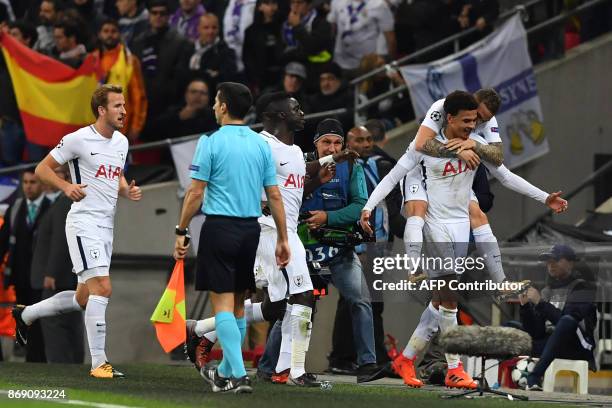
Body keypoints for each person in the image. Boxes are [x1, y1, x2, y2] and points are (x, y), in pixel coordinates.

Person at [360, 90, 569, 389]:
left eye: (476, 121)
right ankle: (454, 368)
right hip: (435, 222)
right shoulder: (424, 147)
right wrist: (368, 206)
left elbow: (507, 176)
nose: (473, 126)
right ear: (449, 118)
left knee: (441, 303)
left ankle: (405, 359)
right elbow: (394, 175)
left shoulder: (477, 143)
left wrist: (544, 197)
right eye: (467, 121)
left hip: (459, 223)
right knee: (449, 298)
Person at [12, 84, 143, 378]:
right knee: (103, 289)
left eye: (123, 105)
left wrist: (126, 191)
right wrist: (66, 186)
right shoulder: (78, 139)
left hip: (107, 226)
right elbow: (42, 168)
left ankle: (27, 313)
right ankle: (99, 364)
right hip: (84, 222)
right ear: (101, 110)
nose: (124, 111)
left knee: (85, 297)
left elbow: (115, 174)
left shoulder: (121, 142)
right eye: (118, 106)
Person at [173, 82, 290, 394]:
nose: (213, 106)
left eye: (215, 101)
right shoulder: (260, 145)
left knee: (223, 305)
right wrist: (283, 238)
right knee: (239, 306)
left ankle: (238, 375)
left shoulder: (209, 142)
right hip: (250, 230)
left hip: (220, 228)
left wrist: (181, 230)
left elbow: (195, 192)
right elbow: (275, 196)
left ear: (223, 106)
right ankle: (224, 371)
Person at [300, 118, 384, 383]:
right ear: (316, 143)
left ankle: (367, 365)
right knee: (296, 309)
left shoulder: (352, 165)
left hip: (339, 251)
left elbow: (360, 205)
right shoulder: (301, 163)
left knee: (361, 301)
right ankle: (278, 365)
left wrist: (327, 218)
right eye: (326, 142)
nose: (332, 148)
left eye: (337, 143)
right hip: (305, 251)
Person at [519, 244, 597, 391]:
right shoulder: (547, 290)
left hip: (578, 346)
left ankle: (534, 377)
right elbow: (536, 332)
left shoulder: (583, 288)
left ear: (571, 263)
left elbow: (567, 321)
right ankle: (500, 380)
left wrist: (540, 303)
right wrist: (525, 307)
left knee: (567, 321)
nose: (551, 264)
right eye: (548, 261)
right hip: (551, 345)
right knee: (512, 326)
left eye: (556, 260)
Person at [30, 165, 84, 364]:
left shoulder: (63, 202)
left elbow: (60, 241)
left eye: (55, 174)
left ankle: (61, 368)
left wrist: (51, 272)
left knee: (54, 326)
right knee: (71, 323)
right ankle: (74, 365)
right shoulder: (65, 201)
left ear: (66, 177)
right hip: (68, 277)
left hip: (58, 279)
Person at [0, 170, 52, 362]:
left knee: (40, 319)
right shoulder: (16, 207)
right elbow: (3, 241)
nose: (28, 186)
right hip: (20, 276)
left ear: (43, 185)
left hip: (42, 277)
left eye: (33, 182)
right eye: (25, 182)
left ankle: (38, 358)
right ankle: (29, 355)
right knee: (23, 318)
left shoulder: (50, 207)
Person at [96, 17, 147, 143]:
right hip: (94, 128)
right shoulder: (92, 60)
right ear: (99, 34)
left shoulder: (130, 61)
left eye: (113, 31)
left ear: (119, 34)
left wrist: (136, 126)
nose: (109, 35)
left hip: (122, 129)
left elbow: (138, 96)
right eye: (106, 31)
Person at [327, 0, 396, 74]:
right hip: (341, 62)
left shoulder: (378, 4)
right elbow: (332, 29)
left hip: (367, 64)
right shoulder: (337, 2)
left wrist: (389, 61)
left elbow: (390, 37)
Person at [281, 0, 333, 91]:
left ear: (308, 5)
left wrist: (297, 27)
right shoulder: (285, 22)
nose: (295, 6)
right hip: (289, 72)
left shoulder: (322, 23)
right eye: (293, 3)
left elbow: (313, 47)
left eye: (299, 3)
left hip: (313, 74)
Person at [185, 13, 238, 97]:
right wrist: (209, 73)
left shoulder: (227, 53)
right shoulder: (187, 50)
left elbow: (226, 81)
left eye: (214, 27)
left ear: (219, 29)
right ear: (198, 29)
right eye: (206, 28)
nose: (210, 32)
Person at [242, 0, 284, 94]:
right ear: (260, 7)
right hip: (261, 80)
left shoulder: (283, 27)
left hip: (281, 76)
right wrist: (254, 81)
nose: (271, 7)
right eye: (267, 3)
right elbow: (247, 58)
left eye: (274, 3)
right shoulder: (251, 31)